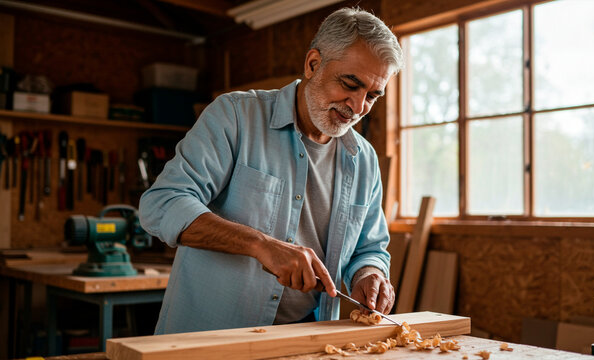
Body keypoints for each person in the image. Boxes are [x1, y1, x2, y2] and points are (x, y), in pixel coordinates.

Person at [138, 7, 404, 334]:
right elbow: (162, 203)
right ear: (313, 64)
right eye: (350, 84)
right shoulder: (235, 116)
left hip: (306, 341)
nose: (358, 106)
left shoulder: (364, 159)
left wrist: (370, 275)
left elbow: (369, 248)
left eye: (372, 96)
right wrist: (261, 245)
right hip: (209, 339)